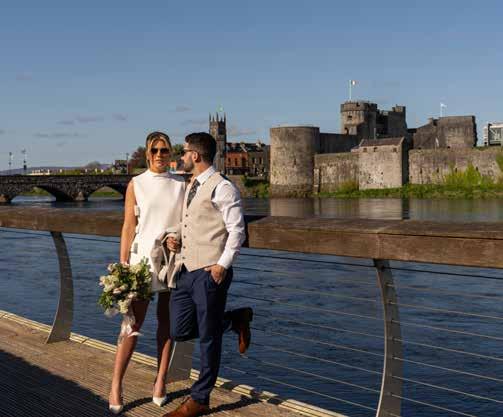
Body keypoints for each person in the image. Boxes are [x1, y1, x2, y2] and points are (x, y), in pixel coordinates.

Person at [163, 132, 253, 417]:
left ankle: (200, 398)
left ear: (195, 155)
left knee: (208, 339)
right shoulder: (191, 184)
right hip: (185, 270)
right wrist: (174, 238)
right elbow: (188, 222)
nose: (181, 156)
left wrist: (222, 265)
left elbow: (237, 231)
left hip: (209, 273)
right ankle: (233, 320)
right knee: (178, 330)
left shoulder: (223, 187)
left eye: (184, 151)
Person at [109, 131, 186, 414]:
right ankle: (116, 383)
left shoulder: (181, 185)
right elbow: (128, 226)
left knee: (167, 323)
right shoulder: (137, 184)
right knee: (132, 323)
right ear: (147, 154)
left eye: (164, 150)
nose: (159, 155)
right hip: (141, 261)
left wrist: (177, 237)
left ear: (171, 153)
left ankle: (161, 380)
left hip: (171, 261)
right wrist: (123, 265)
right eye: (154, 151)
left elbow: (186, 222)